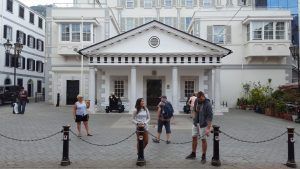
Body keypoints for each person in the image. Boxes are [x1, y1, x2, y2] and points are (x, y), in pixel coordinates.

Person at [185, 91, 213, 164]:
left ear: (203, 96)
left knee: (203, 140)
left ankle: (204, 156)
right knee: (194, 137)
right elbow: (194, 110)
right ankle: (193, 153)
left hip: (203, 124)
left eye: (200, 99)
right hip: (195, 123)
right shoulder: (197, 100)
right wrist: (194, 118)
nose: (199, 100)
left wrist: (208, 128)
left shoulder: (208, 104)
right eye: (198, 99)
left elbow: (210, 117)